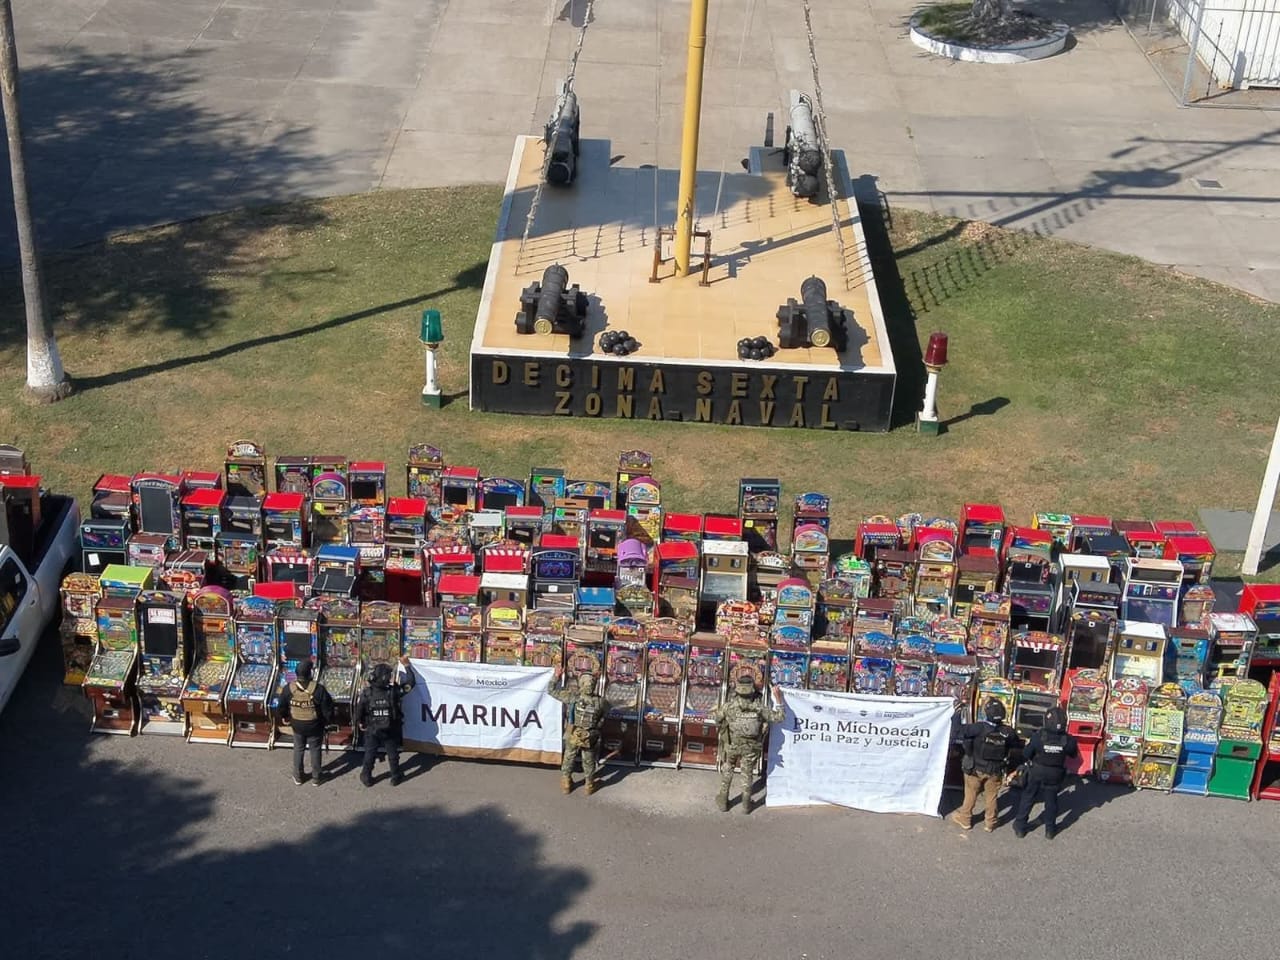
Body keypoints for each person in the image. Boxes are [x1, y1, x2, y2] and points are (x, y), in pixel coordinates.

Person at [713, 676, 784, 815]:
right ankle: (746, 805)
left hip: (732, 744)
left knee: (728, 769)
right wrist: (778, 699)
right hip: (751, 747)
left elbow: (717, 719)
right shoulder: (759, 707)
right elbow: (779, 717)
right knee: (747, 773)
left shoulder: (729, 706)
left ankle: (723, 801)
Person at [952, 699, 1018, 832]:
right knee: (992, 796)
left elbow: (956, 730)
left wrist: (957, 712)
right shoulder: (1008, 732)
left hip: (975, 768)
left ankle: (965, 818)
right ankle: (990, 822)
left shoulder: (978, 728)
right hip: (996, 770)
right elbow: (1015, 744)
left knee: (971, 793)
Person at [1013, 706, 1078, 840]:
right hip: (1056, 773)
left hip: (1037, 770)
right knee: (1051, 800)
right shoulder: (1068, 739)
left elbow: (1026, 754)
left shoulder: (1039, 736)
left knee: (1028, 797)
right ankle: (1050, 829)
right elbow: (1073, 754)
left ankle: (1020, 827)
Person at [354, 656, 416, 787]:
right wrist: (407, 666)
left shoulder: (367, 692)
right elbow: (411, 683)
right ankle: (395, 776)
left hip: (373, 728)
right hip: (390, 728)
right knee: (392, 753)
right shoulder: (393, 691)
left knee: (370, 752)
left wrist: (360, 722)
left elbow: (359, 710)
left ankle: (366, 776)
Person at [549, 668, 609, 795]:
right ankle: (589, 785)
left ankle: (566, 783)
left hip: (574, 731)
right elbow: (604, 715)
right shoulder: (601, 701)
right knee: (588, 759)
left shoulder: (573, 697)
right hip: (590, 733)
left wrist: (556, 676)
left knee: (569, 756)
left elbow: (551, 690)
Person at [280, 658, 335, 786]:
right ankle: (316, 777)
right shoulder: (318, 689)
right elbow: (328, 708)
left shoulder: (289, 688)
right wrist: (327, 721)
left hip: (297, 724)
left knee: (298, 749)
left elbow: (282, 706)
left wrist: (285, 717)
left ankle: (298, 776)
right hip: (314, 725)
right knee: (315, 749)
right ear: (310, 673)